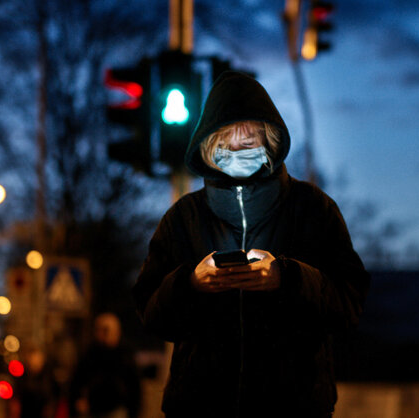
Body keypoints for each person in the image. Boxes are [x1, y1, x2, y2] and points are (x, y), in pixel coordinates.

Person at [133, 71, 370, 418]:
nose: (238, 151)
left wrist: (287, 279)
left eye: (248, 141)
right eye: (227, 143)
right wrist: (191, 283)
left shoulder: (313, 209)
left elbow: (349, 304)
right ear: (209, 148)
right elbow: (152, 315)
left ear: (269, 142)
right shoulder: (183, 218)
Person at [69, 313, 141, 418]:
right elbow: (77, 380)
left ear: (117, 332)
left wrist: (134, 412)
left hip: (117, 410)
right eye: (99, 330)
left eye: (106, 330)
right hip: (93, 410)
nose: (102, 334)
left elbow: (134, 386)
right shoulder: (91, 353)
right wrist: (77, 401)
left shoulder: (125, 355)